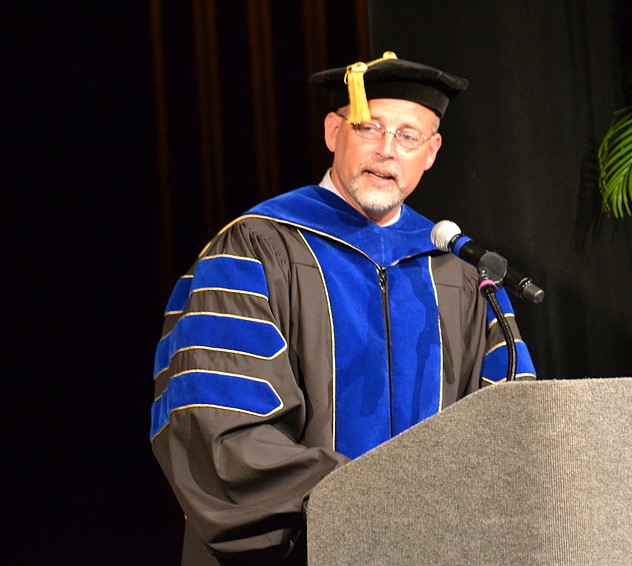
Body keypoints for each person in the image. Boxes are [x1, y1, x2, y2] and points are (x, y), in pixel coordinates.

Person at [150, 51, 537, 565]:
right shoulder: (255, 249)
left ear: (432, 151)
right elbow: (220, 425)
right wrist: (367, 504)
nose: (387, 151)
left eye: (408, 136)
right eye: (369, 128)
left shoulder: (462, 272)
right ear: (334, 132)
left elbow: (512, 429)